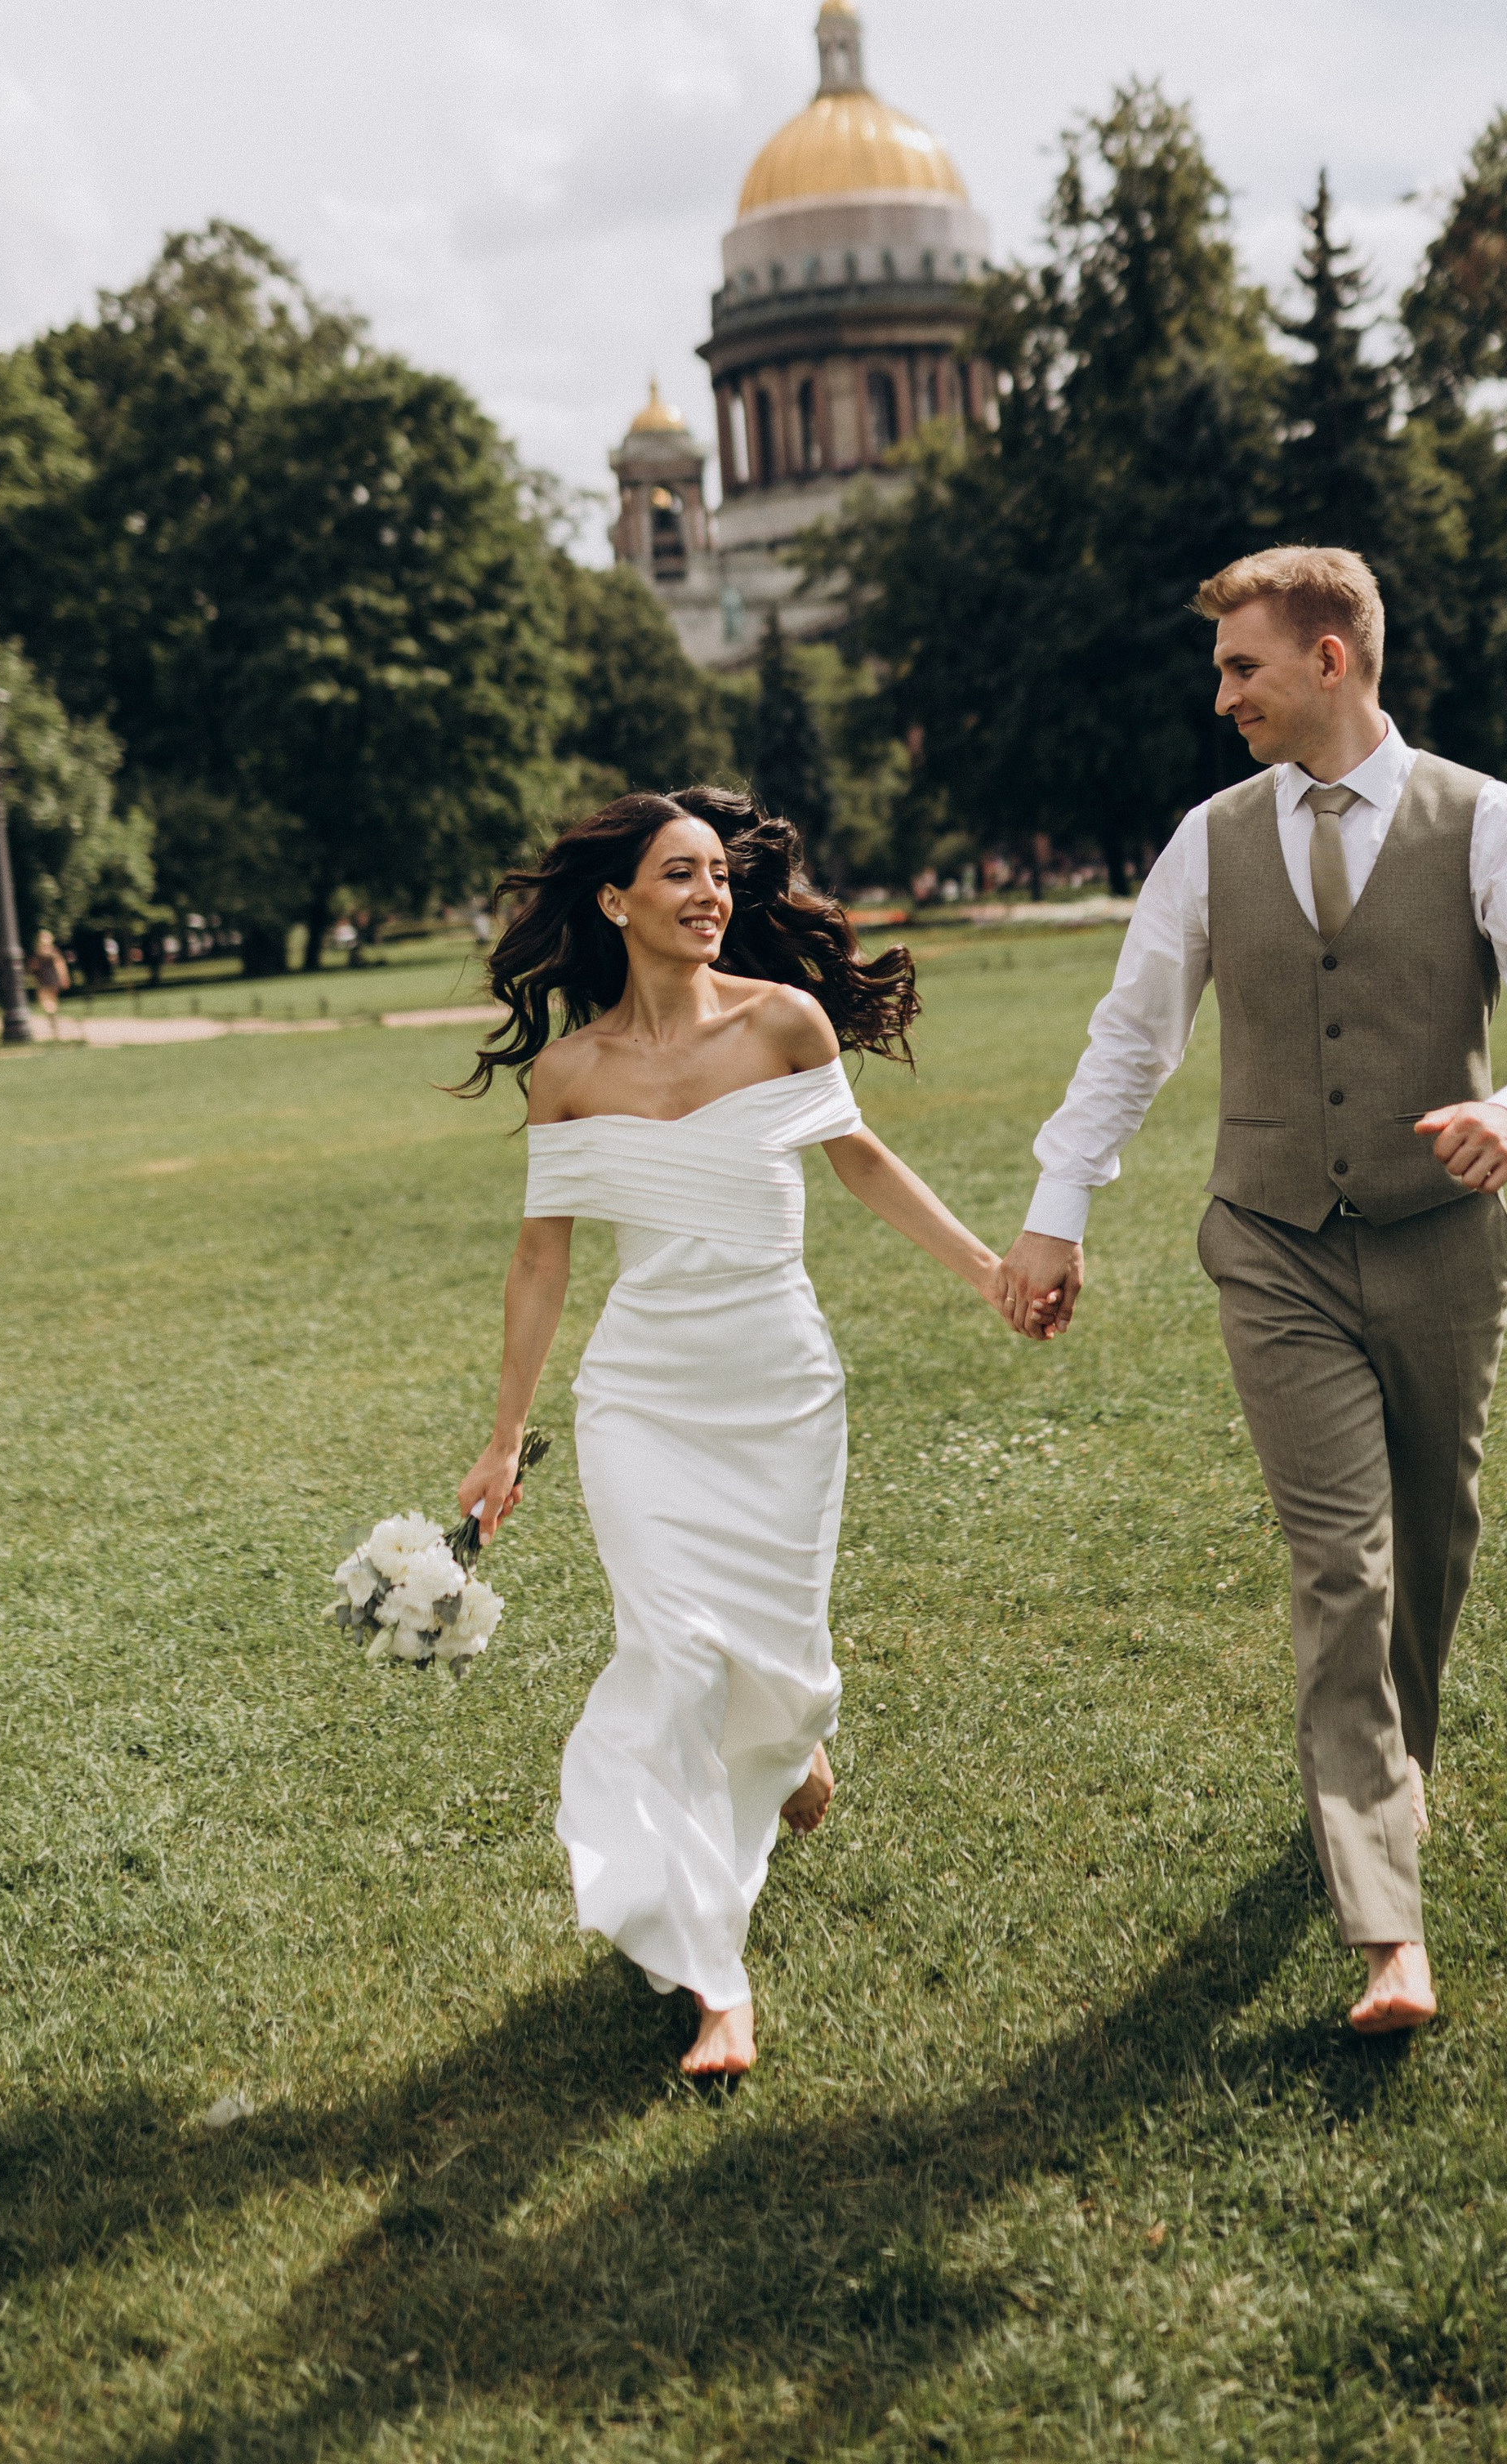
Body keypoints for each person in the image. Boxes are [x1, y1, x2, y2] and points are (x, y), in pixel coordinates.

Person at [996, 547, 1507, 2036]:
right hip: (1272, 1242)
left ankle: (1383, 1776)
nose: (1221, 696)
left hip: (1439, 1245)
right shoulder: (1207, 839)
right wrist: (1053, 1210)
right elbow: (1134, 1037)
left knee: (1431, 1542)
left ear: (1331, 660)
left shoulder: (1488, 821)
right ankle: (1386, 1924)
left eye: (1242, 668)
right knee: (1341, 1563)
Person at [456, 786, 1036, 2076]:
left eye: (718, 874)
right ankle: (718, 1981)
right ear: (615, 902)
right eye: (678, 875)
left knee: (775, 1667)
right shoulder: (569, 1075)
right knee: (670, 1655)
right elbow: (541, 1261)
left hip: (778, 1388)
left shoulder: (785, 1022)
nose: (710, 895)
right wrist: (503, 1441)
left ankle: (786, 1739)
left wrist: (991, 1270)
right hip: (639, 1399)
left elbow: (861, 1160)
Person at [29, 928, 71, 1036]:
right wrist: (64, 977)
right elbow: (60, 965)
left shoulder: (38, 952)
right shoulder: (53, 951)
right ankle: (53, 1020)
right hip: (53, 979)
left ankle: (52, 1019)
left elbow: (33, 967)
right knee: (51, 1002)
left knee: (46, 1002)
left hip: (44, 980)